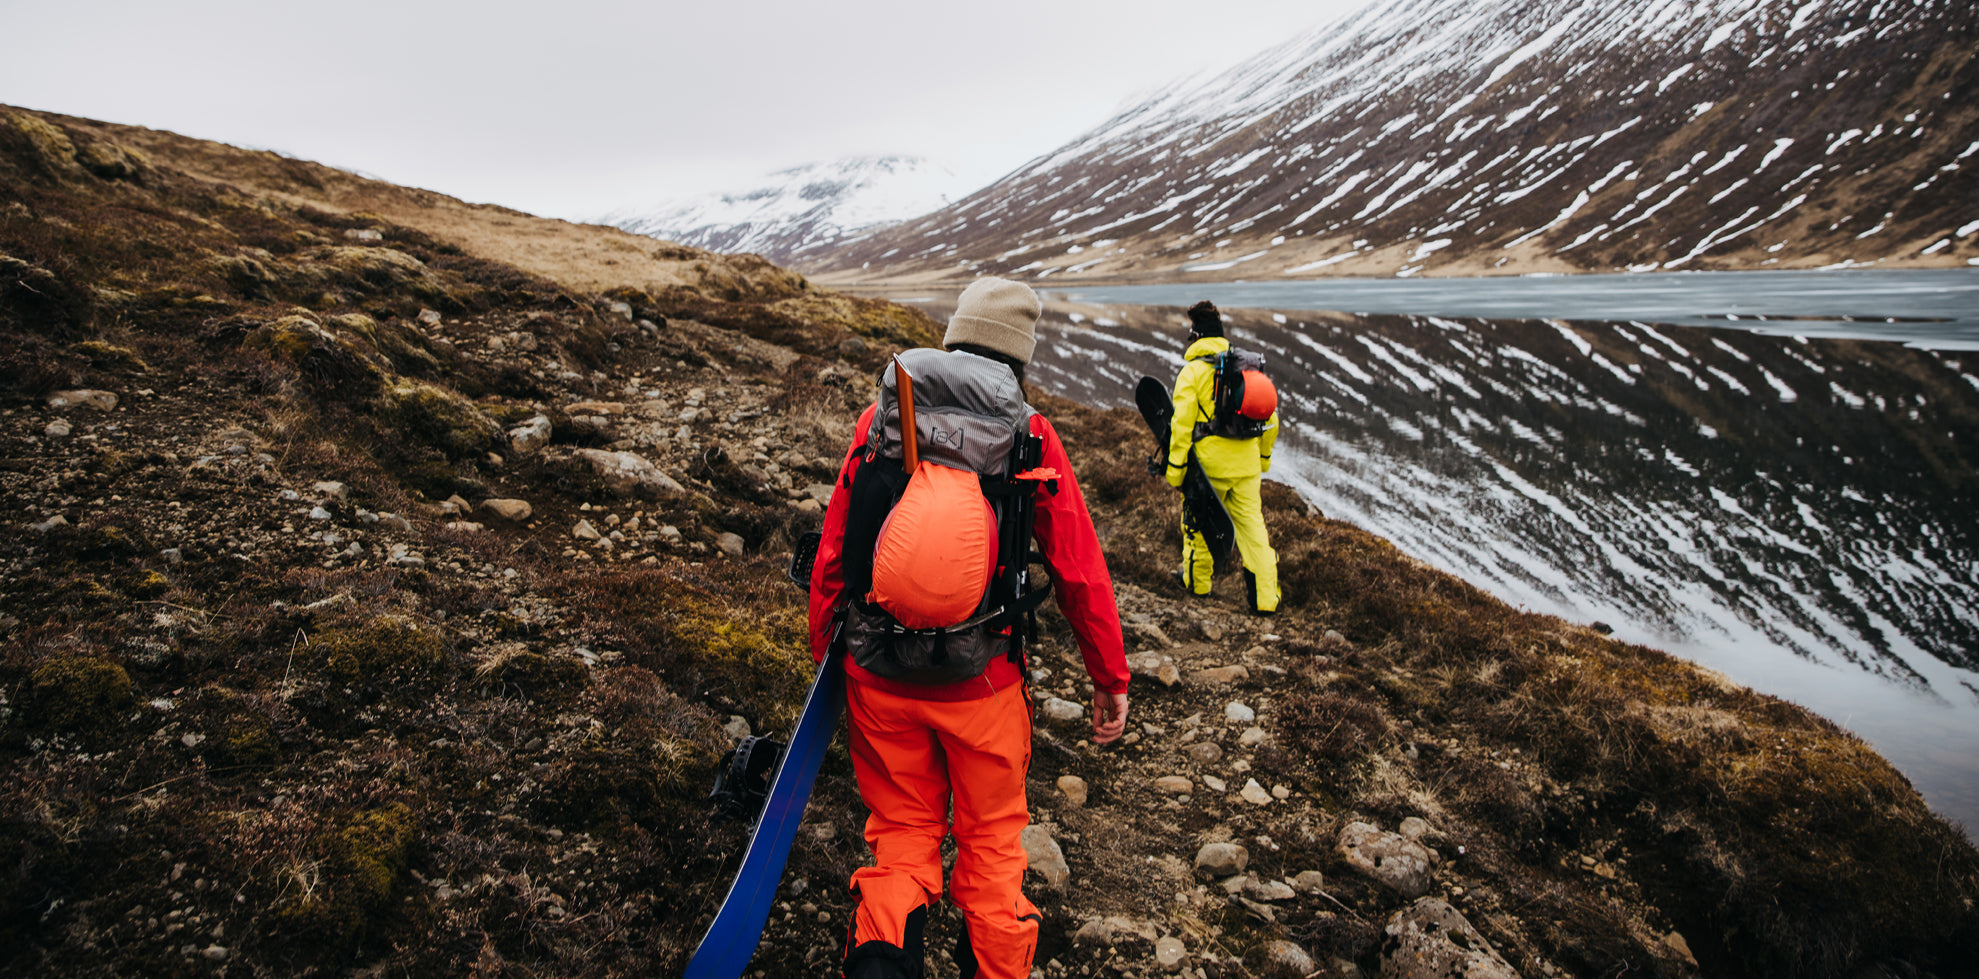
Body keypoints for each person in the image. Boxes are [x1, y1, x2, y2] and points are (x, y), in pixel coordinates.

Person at [808, 276, 1130, 979]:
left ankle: (880, 964)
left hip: (876, 671)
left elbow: (836, 548)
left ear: (954, 337)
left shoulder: (883, 416)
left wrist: (830, 658)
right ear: (1021, 356)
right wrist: (1109, 678)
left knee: (899, 836)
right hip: (982, 685)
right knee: (989, 846)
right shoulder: (1029, 432)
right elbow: (1078, 569)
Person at [1164, 299, 1280, 614]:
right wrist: (1263, 461)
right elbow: (1271, 420)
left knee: (1199, 522)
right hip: (1246, 467)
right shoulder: (1244, 372)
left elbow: (1182, 426)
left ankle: (1197, 584)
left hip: (1208, 468)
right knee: (1254, 529)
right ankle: (1266, 599)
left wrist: (1175, 471)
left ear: (1196, 336)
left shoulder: (1192, 373)